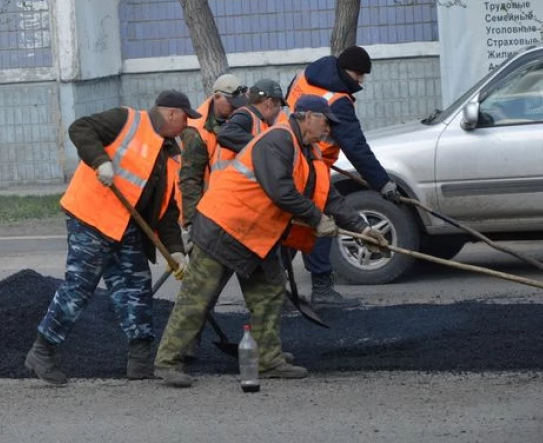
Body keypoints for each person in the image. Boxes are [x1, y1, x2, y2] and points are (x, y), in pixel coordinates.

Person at [154, 96, 389, 388]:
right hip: (223, 227)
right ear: (305, 117)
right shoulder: (278, 140)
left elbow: (330, 197)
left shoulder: (310, 152)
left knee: (269, 294)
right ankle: (168, 361)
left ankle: (267, 360)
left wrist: (363, 229)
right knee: (197, 298)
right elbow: (280, 190)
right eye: (325, 120)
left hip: (256, 235)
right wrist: (316, 219)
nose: (329, 127)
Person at [25, 90, 198, 385]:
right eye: (185, 118)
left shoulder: (170, 154)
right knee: (80, 286)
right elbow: (80, 128)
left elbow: (167, 212)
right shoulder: (126, 120)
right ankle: (42, 351)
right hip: (91, 217)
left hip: (125, 226)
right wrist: (100, 161)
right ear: (170, 113)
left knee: (136, 287)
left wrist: (176, 252)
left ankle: (140, 361)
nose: (186, 125)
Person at [285, 45, 402, 309]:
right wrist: (383, 183)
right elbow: (356, 147)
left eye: (363, 75)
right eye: (358, 74)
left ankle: (275, 288)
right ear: (343, 70)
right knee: (320, 225)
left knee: (293, 227)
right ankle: (322, 292)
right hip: (311, 168)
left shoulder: (304, 76)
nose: (360, 80)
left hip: (291, 158)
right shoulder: (338, 101)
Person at [176, 73, 247, 359]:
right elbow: (189, 181)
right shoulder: (195, 132)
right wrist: (192, 224)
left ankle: (266, 346)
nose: (236, 108)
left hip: (238, 215)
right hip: (208, 218)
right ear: (217, 98)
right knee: (202, 290)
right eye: (231, 103)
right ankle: (183, 348)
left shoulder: (239, 117)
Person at [216, 78, 285, 154]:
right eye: (280, 105)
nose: (280, 110)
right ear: (270, 103)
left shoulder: (259, 120)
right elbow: (224, 133)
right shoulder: (245, 116)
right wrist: (262, 145)